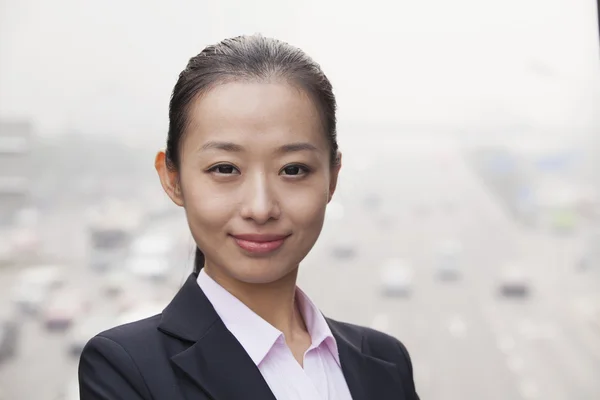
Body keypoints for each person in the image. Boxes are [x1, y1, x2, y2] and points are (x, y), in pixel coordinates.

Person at [78, 34, 420, 400]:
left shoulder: (385, 362)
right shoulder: (127, 369)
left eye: (293, 170)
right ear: (173, 179)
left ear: (332, 178)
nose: (260, 208)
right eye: (225, 168)